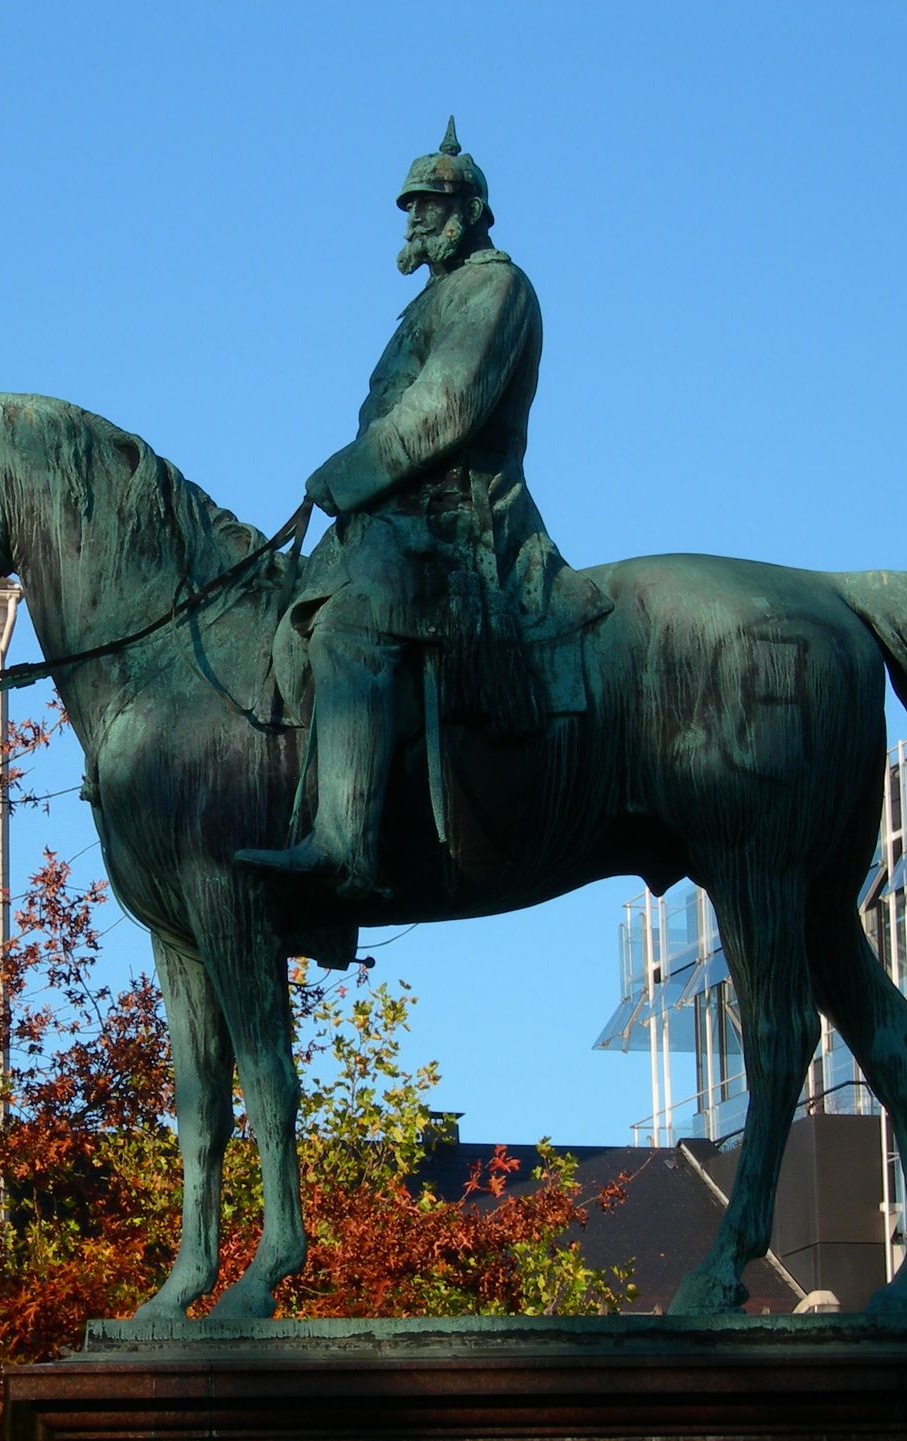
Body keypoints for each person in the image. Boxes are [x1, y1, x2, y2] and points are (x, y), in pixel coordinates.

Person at [237, 118, 550, 901]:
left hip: (459, 522)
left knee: (349, 628)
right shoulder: (434, 300)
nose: (415, 220)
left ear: (471, 210)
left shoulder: (494, 287)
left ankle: (345, 848)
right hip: (400, 520)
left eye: (430, 205)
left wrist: (342, 477)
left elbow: (444, 411)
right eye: (410, 207)